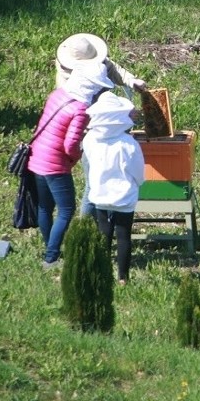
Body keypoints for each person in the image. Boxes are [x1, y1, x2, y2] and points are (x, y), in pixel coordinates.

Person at [27, 62, 114, 269]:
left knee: (45, 207)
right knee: (67, 209)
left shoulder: (56, 94)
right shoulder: (80, 110)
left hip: (36, 156)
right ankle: (51, 258)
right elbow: (70, 144)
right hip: (55, 164)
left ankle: (50, 248)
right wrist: (76, 157)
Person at [53, 33, 147, 218]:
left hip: (110, 133)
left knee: (107, 181)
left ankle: (102, 225)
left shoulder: (96, 62)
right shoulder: (68, 86)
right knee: (94, 184)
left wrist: (131, 80)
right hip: (91, 136)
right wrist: (124, 115)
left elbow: (111, 67)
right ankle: (85, 228)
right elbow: (86, 117)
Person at [82, 91, 145, 285]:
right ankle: (123, 278)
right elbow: (138, 172)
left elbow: (88, 166)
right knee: (123, 235)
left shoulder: (90, 140)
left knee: (104, 233)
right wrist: (138, 184)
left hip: (100, 194)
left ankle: (102, 273)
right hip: (124, 196)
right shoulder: (129, 143)